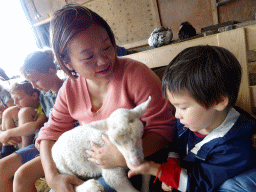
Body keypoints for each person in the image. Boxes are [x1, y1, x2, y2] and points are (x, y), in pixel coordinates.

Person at [35, 4, 175, 192]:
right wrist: (52, 177)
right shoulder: (70, 88)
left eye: (107, 47)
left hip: (139, 164)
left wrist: (120, 156)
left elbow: (164, 131)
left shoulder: (136, 75)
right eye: (88, 57)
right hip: (96, 167)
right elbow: (49, 133)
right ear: (67, 62)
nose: (103, 60)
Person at [127, 45, 256, 192]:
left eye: (182, 107)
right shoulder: (191, 121)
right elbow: (176, 145)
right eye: (174, 107)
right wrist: (170, 169)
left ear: (218, 102)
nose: (176, 115)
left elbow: (199, 183)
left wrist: (157, 170)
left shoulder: (235, 148)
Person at [0, 49, 64, 192]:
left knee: (21, 176)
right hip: (40, 143)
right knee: (1, 170)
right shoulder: (44, 95)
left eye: (35, 80)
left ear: (51, 71)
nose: (33, 86)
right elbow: (43, 122)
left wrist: (44, 139)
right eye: (30, 81)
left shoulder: (68, 89)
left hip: (57, 145)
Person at [0, 81, 43, 157]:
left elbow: (35, 126)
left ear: (34, 96)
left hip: (31, 140)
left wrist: (8, 133)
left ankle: (23, 152)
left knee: (24, 112)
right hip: (15, 141)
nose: (15, 102)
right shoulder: (18, 107)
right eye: (13, 99)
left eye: (19, 99)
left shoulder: (42, 106)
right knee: (8, 111)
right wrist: (3, 135)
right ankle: (7, 149)